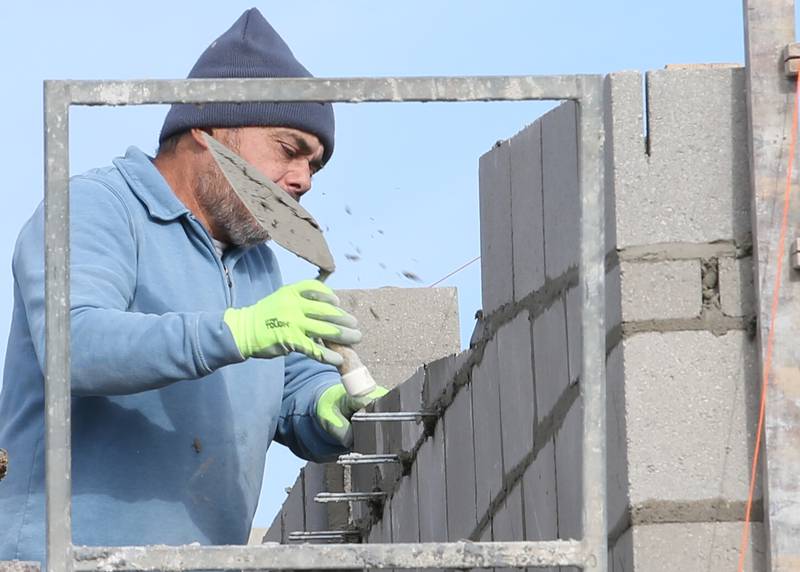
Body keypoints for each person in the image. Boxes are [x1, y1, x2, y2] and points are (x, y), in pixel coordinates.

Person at [0, 8, 385, 564]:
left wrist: (326, 403)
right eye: (289, 148)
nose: (303, 179)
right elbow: (72, 344)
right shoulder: (95, 208)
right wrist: (243, 329)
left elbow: (274, 386)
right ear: (208, 130)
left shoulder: (257, 265)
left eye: (314, 166)